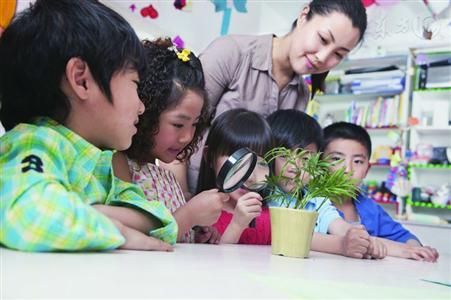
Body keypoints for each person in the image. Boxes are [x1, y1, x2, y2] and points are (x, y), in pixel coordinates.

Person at [0, 0, 177, 252]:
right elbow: (30, 212)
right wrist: (116, 230)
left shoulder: (99, 161)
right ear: (81, 80)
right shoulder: (34, 142)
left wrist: (94, 212)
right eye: (135, 84)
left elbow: (162, 220)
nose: (141, 107)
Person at [164, 0, 369, 196]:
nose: (323, 57)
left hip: (246, 209)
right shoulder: (232, 53)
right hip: (195, 193)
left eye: (338, 54)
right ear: (304, 16)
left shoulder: (301, 94)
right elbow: (176, 133)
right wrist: (183, 200)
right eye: (323, 39)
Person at [113, 38, 228, 244]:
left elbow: (176, 233)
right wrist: (189, 215)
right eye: (178, 124)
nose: (188, 136)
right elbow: (128, 236)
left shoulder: (167, 178)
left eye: (195, 124)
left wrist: (195, 232)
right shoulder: (119, 163)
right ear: (146, 111)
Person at [267, 109, 385, 259]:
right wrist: (341, 245)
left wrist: (361, 239)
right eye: (284, 156)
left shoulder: (315, 197)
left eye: (305, 159)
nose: (294, 168)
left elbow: (338, 224)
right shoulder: (265, 195)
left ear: (318, 162)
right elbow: (286, 234)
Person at [322, 122, 440, 262]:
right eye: (336, 159)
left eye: (358, 161)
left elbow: (404, 237)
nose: (347, 169)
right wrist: (401, 250)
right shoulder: (312, 203)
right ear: (318, 163)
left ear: (367, 170)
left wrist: (415, 249)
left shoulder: (370, 209)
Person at [197, 109, 272, 244]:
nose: (248, 176)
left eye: (257, 162)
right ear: (210, 157)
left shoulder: (270, 219)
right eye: (237, 159)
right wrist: (237, 224)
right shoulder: (200, 215)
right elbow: (215, 262)